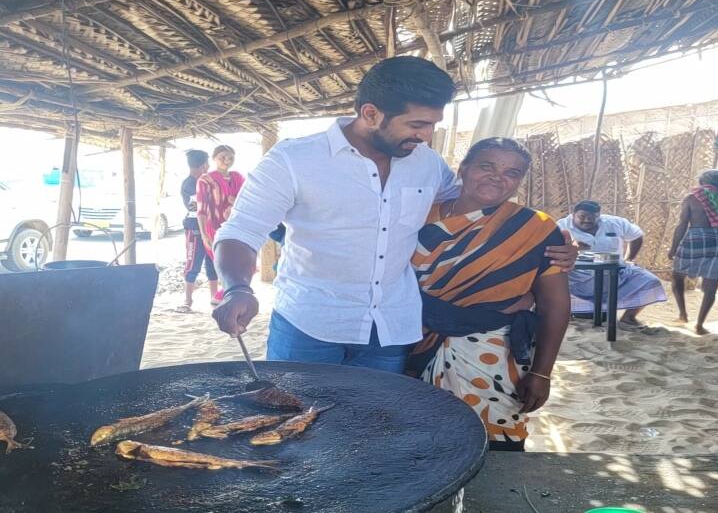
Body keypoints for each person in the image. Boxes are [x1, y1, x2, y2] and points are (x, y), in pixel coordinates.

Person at [211, 56, 577, 373]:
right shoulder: (293, 160)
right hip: (309, 324)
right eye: (417, 125)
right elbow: (241, 231)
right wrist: (238, 288)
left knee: (375, 430)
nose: (427, 136)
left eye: (432, 124)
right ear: (370, 113)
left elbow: (470, 210)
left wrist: (550, 242)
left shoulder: (427, 164)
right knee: (297, 429)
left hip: (392, 329)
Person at [407, 138, 570, 451]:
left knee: (494, 448)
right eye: (487, 166)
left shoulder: (535, 228)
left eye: (512, 172)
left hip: (494, 356)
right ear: (464, 169)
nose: (498, 177)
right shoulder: (420, 216)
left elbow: (555, 304)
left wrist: (542, 372)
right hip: (416, 341)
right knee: (422, 442)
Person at [557, 201, 666, 329]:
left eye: (592, 218)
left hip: (616, 272)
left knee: (650, 280)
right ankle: (571, 314)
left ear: (599, 215)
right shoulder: (561, 226)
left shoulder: (615, 223)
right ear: (573, 214)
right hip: (578, 276)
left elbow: (637, 235)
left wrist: (629, 258)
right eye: (582, 217)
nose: (587, 220)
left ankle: (629, 318)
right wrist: (573, 246)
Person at [668, 169, 718, 335]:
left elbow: (682, 225)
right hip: (717, 243)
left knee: (677, 276)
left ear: (701, 182)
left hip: (694, 240)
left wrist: (673, 248)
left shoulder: (692, 198)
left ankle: (683, 314)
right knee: (711, 284)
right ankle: (699, 324)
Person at [196, 144, 245, 303]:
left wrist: (236, 201)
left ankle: (223, 297)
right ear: (214, 158)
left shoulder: (238, 177)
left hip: (236, 227)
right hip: (214, 228)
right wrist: (204, 234)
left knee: (237, 263)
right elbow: (201, 209)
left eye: (230, 157)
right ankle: (222, 296)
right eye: (222, 157)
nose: (227, 160)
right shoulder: (206, 180)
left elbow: (248, 200)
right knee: (223, 263)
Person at [178, 149, 218, 312]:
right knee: (193, 262)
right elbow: (195, 207)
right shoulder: (189, 184)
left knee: (213, 263)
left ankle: (215, 298)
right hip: (195, 228)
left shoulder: (207, 181)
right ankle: (188, 300)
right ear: (203, 165)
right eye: (207, 163)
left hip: (210, 228)